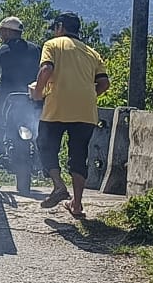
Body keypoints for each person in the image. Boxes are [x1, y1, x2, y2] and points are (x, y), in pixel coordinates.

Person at [29, 11, 110, 218]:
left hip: (57, 106)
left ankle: (58, 185)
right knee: (79, 155)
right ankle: (77, 205)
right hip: (85, 111)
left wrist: (37, 93)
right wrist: (88, 96)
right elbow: (104, 83)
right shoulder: (92, 53)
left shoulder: (52, 45)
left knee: (45, 145)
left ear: (60, 27)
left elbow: (46, 70)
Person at [0, 16, 41, 147]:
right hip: (31, 96)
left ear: (8, 32)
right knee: (37, 122)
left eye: (1, 31)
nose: (0, 35)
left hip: (7, 96)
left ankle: (0, 145)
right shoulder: (36, 49)